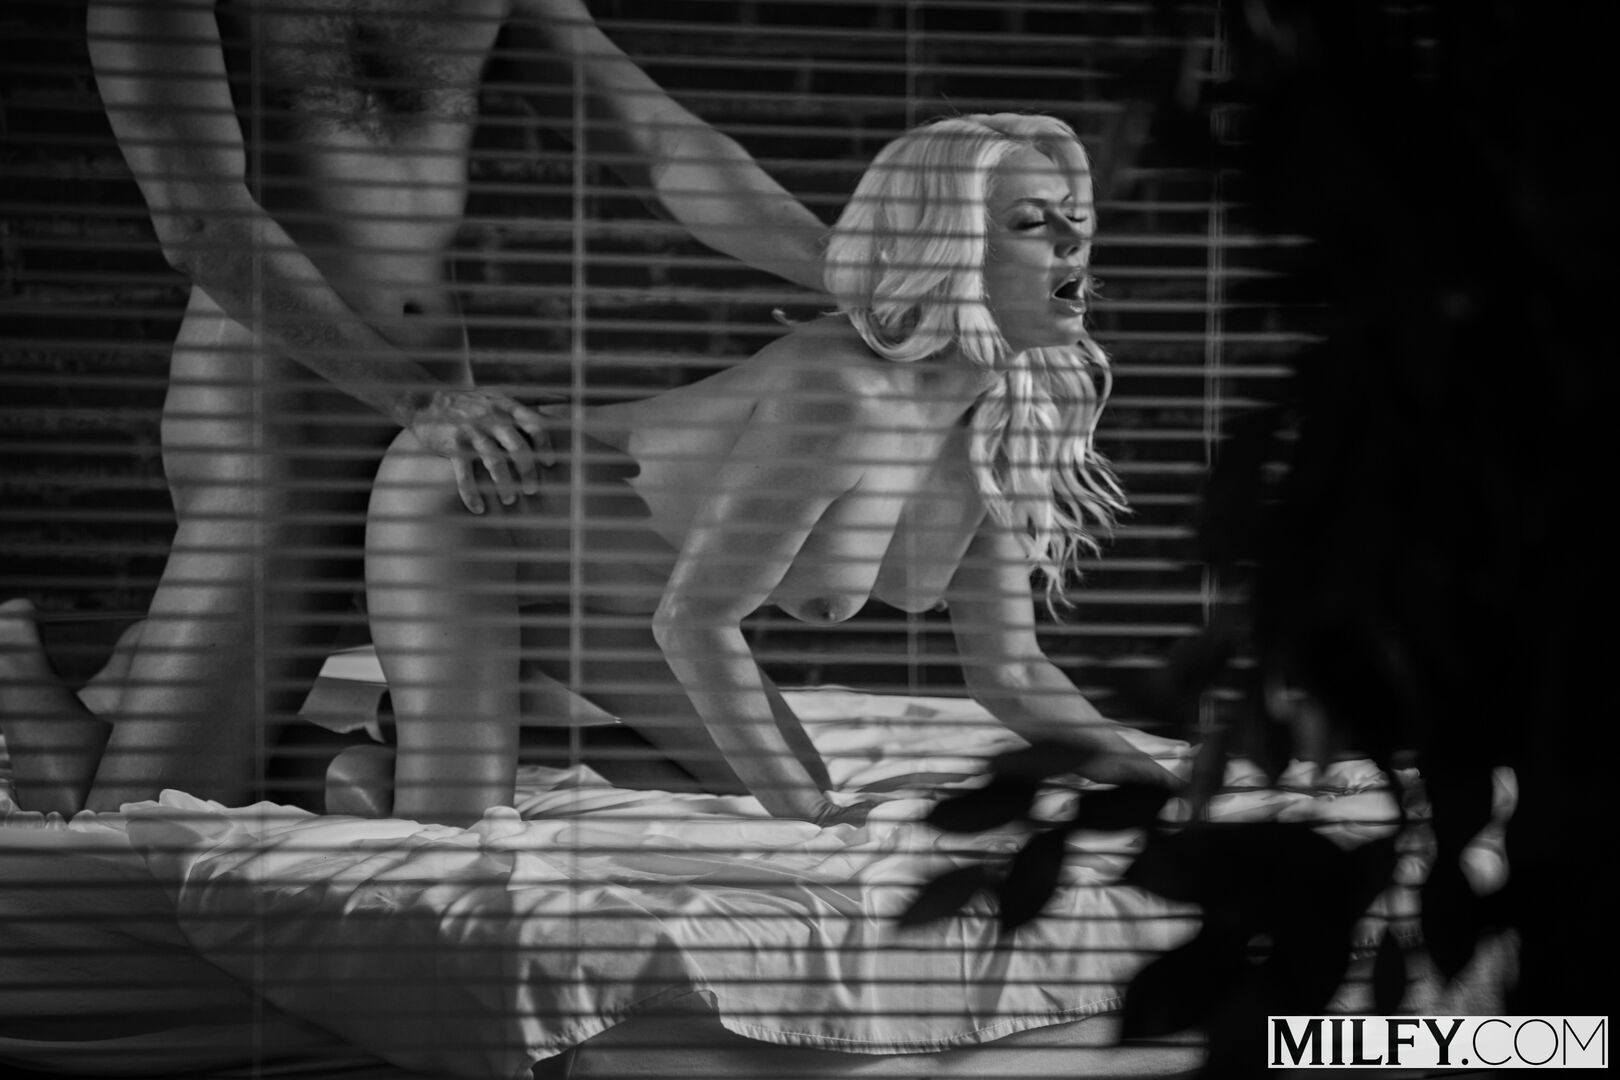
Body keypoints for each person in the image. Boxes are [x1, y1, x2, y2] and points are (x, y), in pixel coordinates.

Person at [0, 0, 826, 816]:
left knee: (718, 764)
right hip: (285, 418)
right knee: (133, 811)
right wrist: (417, 398)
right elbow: (199, 218)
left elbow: (660, 143)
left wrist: (838, 266)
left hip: (446, 416)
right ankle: (25, 679)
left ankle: (195, 701)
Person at [356, 113, 1187, 828]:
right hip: (480, 505)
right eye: (1031, 221)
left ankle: (438, 729)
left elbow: (1011, 671)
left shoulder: (1001, 425)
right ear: (944, 245)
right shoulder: (839, 395)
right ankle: (383, 750)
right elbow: (696, 621)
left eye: (1075, 215)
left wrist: (1162, 787)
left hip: (625, 593)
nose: (1074, 238)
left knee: (758, 774)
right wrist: (817, 819)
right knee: (458, 825)